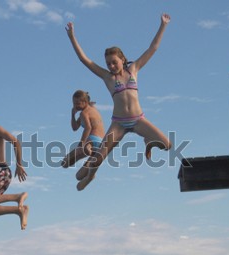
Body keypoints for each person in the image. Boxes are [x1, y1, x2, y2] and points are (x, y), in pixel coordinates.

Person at [65, 13, 173, 191]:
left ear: (122, 60)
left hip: (138, 120)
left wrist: (163, 25)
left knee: (167, 145)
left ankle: (149, 141)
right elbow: (85, 60)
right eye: (108, 64)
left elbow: (152, 48)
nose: (111, 66)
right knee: (99, 157)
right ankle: (89, 177)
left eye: (114, 63)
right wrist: (72, 37)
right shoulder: (107, 77)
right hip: (119, 124)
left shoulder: (134, 70)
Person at [61, 90, 105, 168]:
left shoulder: (84, 113)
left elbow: (88, 128)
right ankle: (89, 153)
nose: (75, 106)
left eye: (78, 104)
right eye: (74, 103)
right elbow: (75, 128)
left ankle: (87, 149)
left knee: (65, 161)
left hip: (91, 139)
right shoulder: (90, 110)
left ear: (85, 102)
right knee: (67, 163)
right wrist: (73, 114)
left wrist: (81, 144)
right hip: (101, 142)